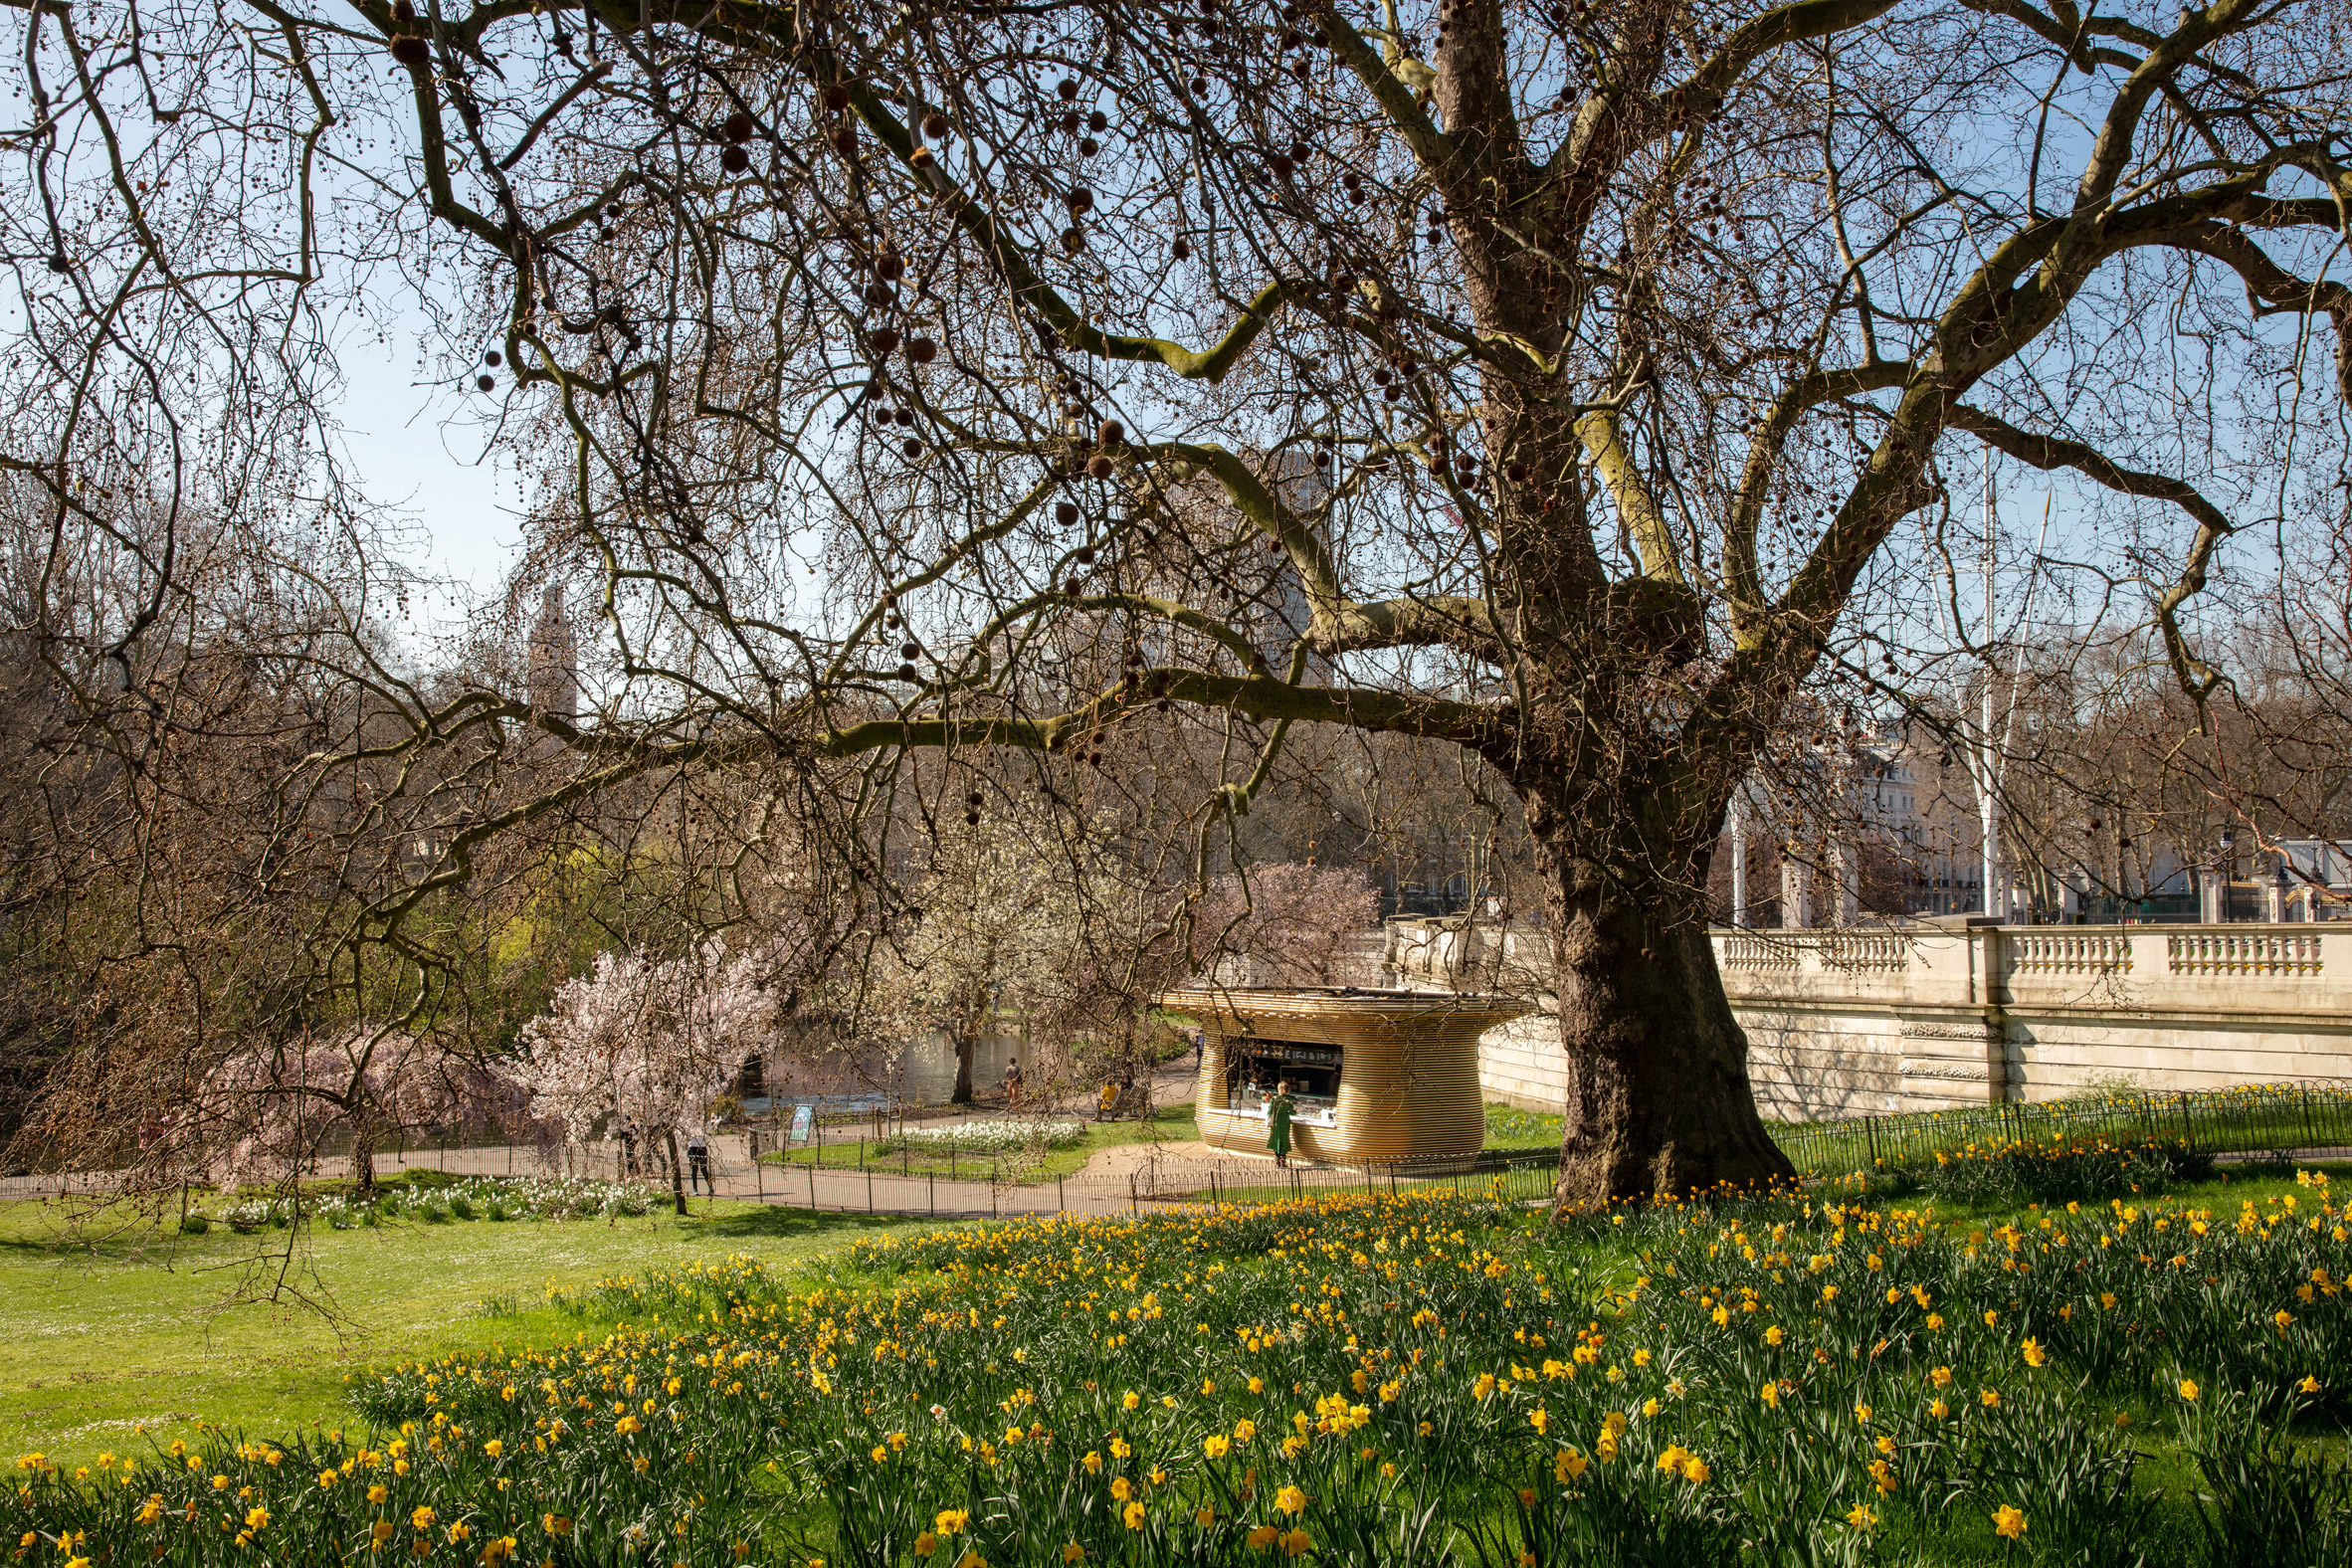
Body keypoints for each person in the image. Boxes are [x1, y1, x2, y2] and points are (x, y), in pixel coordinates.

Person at [1267, 1078, 1295, 1169]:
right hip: (1285, 1122)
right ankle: (1283, 1161)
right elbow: (1292, 1113)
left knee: (1276, 1139)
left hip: (1276, 1122)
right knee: (1284, 1140)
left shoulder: (1274, 1100)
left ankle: (1277, 1161)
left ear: (1278, 1089)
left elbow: (1269, 1112)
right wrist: (1295, 1111)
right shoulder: (1288, 1100)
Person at [686, 1125, 711, 1195]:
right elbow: (686, 1138)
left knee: (704, 1169)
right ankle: (695, 1189)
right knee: (694, 1169)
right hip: (692, 1148)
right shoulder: (689, 1127)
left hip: (702, 1148)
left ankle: (710, 1188)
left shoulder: (702, 1127)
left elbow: (707, 1137)